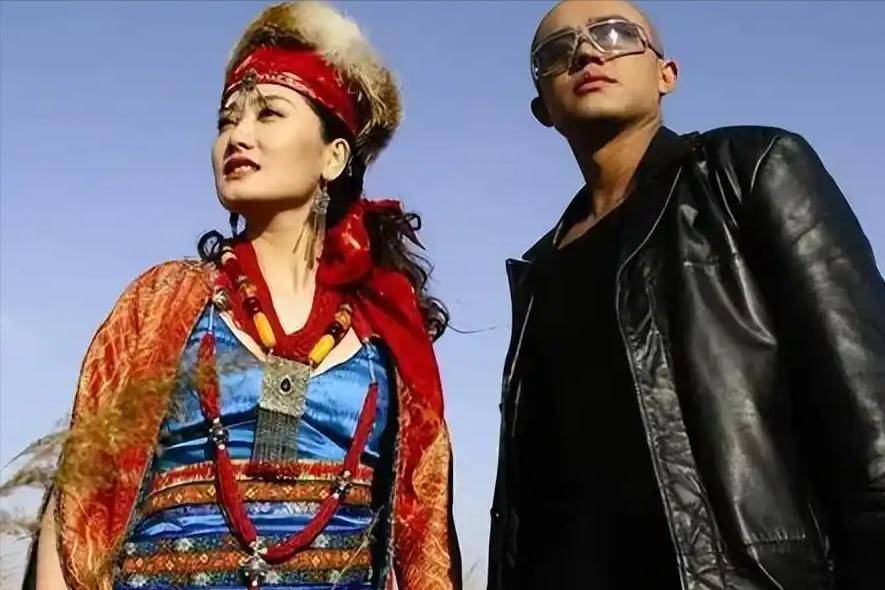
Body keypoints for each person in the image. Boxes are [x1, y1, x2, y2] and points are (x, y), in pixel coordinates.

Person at [25, 2, 461, 589]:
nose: (239, 135)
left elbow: (422, 532)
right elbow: (79, 494)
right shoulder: (163, 302)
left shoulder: (386, 327)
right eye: (226, 120)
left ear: (333, 156)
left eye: (269, 113)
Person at [488, 1, 885, 589]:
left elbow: (870, 414)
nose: (588, 53)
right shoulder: (539, 268)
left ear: (666, 74)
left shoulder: (748, 170)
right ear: (542, 107)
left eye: (615, 34)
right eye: (556, 51)